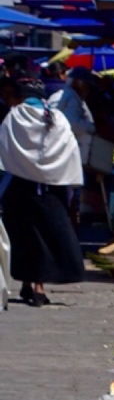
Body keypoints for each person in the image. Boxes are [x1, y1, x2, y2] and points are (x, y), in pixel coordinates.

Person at [0, 74, 85, 303]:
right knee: (46, 236)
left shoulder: (14, 116)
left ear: (19, 96)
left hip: (19, 187)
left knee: (23, 236)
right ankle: (37, 286)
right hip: (52, 187)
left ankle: (29, 284)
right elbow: (69, 148)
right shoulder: (57, 117)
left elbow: (5, 149)